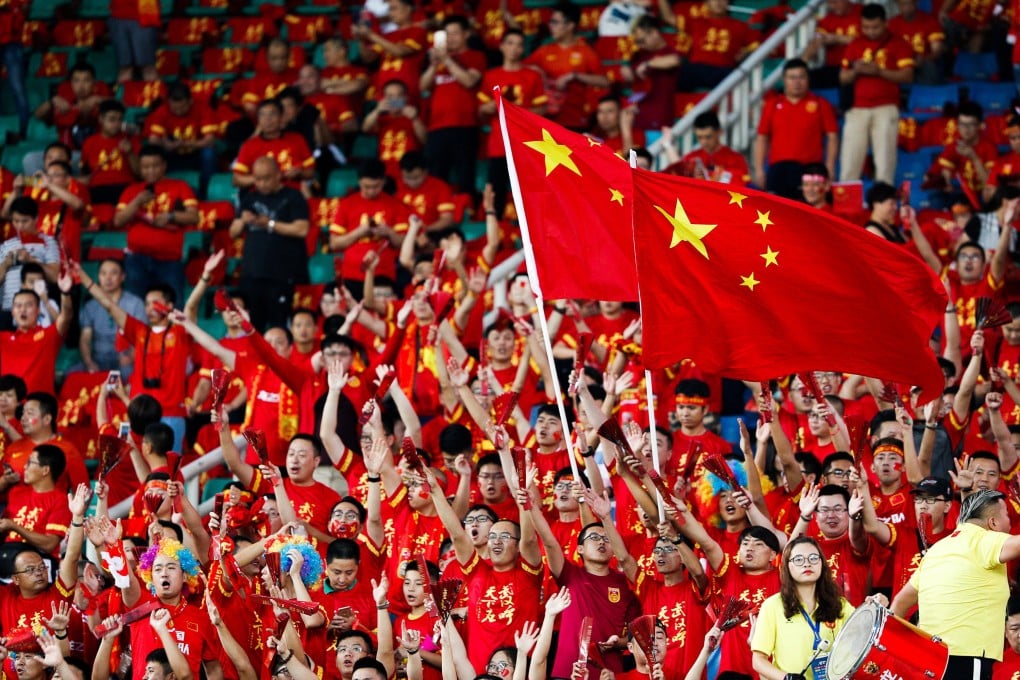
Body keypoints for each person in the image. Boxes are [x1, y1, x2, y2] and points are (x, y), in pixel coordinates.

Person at [892, 490, 1020, 679]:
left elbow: (900, 603)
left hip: (929, 661)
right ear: (993, 522)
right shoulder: (984, 538)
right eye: (1007, 516)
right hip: (966, 658)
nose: (1011, 524)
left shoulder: (936, 551)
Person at [751, 536, 855, 680]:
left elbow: (861, 637)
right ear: (788, 566)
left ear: (821, 564)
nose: (807, 564)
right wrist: (786, 678)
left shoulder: (840, 605)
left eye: (813, 558)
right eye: (798, 559)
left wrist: (873, 607)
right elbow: (758, 661)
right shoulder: (772, 606)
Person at [227, 156, 310, 332]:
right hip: (252, 274)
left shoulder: (293, 196)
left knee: (279, 327)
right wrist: (242, 221)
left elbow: (302, 229)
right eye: (257, 179)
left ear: (278, 175)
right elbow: (233, 232)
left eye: (266, 178)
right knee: (252, 328)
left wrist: (270, 224)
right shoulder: (249, 198)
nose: (261, 183)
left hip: (281, 275)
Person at [838, 4, 915, 184]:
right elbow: (843, 78)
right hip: (857, 108)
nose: (870, 31)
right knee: (850, 160)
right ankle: (845, 207)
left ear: (885, 23)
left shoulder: (899, 43)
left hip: (886, 107)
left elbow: (908, 75)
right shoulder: (855, 45)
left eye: (875, 27)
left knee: (885, 161)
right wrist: (856, 71)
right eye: (866, 27)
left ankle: (884, 205)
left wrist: (878, 71)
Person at [115, 145, 199, 303]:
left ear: (164, 166)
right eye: (146, 167)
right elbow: (118, 221)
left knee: (173, 305)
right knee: (135, 306)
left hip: (169, 260)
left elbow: (194, 217)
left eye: (155, 166)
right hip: (136, 259)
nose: (150, 171)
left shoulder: (179, 186)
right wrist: (137, 202)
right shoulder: (132, 190)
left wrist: (172, 216)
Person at [753, 59, 839, 199]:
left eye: (801, 77)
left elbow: (832, 137)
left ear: (808, 79)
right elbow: (762, 138)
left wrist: (830, 167)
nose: (797, 82)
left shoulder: (821, 104)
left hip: (810, 170)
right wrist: (759, 169)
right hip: (778, 169)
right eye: (792, 77)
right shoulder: (772, 104)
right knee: (776, 215)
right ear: (784, 80)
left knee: (805, 215)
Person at [419, 14, 485, 194]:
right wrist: (434, 64)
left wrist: (447, 60)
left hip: (464, 124)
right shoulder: (438, 60)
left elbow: (469, 81)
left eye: (455, 33)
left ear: (467, 34)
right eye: (447, 34)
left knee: (465, 175)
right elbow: (423, 87)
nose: (450, 38)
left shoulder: (475, 56)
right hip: (437, 126)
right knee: (436, 176)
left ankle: (467, 211)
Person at [524, 4, 609, 131]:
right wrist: (538, 72)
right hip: (547, 120)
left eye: (555, 22)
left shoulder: (585, 51)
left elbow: (605, 82)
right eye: (551, 22)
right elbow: (522, 68)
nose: (551, 26)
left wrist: (574, 76)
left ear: (570, 25)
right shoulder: (544, 51)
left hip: (575, 121)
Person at [78, 258, 146, 375]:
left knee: (129, 373)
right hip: (98, 357)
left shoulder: (135, 303)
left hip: (124, 357)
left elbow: (142, 336)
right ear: (98, 277)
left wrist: (131, 357)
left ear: (123, 276)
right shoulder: (90, 305)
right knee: (72, 374)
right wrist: (89, 362)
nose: (108, 278)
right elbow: (85, 338)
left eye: (113, 273)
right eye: (103, 273)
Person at [0, 196, 59, 328]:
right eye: (16, 221)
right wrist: (6, 264)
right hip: (9, 309)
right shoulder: (6, 245)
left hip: (36, 310)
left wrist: (31, 260)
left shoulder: (48, 242)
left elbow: (55, 277)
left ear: (36, 219)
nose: (20, 226)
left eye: (24, 221)